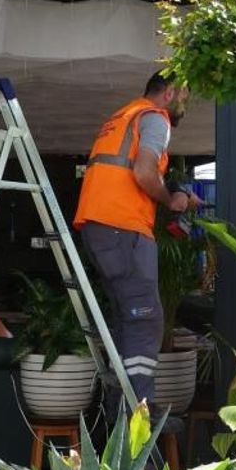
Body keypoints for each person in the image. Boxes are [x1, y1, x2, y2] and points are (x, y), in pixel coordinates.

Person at [73, 71, 201, 412]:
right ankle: (138, 414)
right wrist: (171, 201)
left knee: (128, 318)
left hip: (100, 227)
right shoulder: (156, 118)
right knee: (146, 319)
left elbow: (130, 170)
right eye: (185, 97)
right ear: (169, 92)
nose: (185, 106)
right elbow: (144, 172)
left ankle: (120, 409)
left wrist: (173, 190)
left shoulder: (123, 117)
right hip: (123, 228)